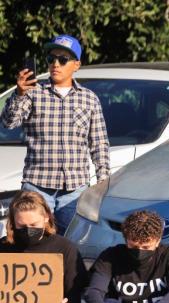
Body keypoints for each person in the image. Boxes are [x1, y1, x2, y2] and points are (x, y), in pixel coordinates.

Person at [0, 34, 110, 234]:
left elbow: (99, 143)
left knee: (71, 244)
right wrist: (19, 94)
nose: (55, 64)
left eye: (62, 59)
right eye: (51, 59)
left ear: (76, 65)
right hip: (37, 187)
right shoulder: (33, 93)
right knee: (33, 243)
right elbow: (8, 122)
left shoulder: (89, 99)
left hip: (75, 189)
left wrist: (103, 182)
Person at [0, 190, 88, 303]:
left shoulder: (65, 248)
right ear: (13, 223)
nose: (28, 231)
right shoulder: (3, 247)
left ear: (46, 217)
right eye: (21, 226)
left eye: (34, 225)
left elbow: (74, 293)